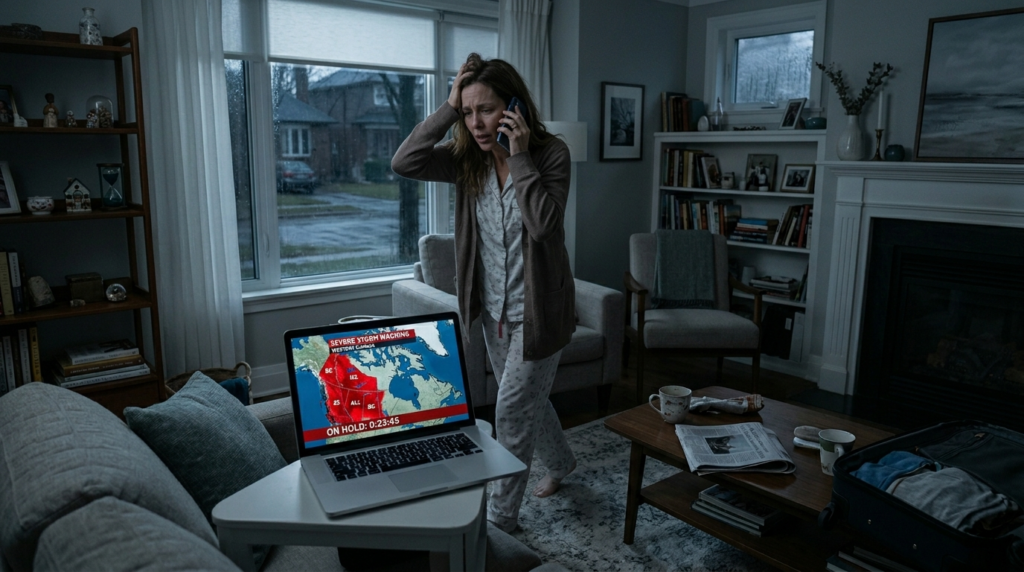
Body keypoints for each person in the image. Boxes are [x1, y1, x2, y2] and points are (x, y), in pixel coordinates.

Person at [392, 53, 576, 533]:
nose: (476, 122)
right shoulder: (466, 161)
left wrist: (517, 156)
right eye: (468, 111)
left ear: (514, 108)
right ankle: (562, 464)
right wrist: (449, 107)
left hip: (540, 311)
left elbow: (544, 226)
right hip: (493, 311)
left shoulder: (551, 154)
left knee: (512, 406)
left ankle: (501, 521)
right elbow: (404, 161)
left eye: (487, 109)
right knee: (528, 396)